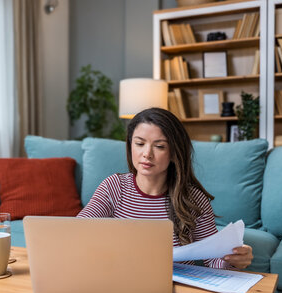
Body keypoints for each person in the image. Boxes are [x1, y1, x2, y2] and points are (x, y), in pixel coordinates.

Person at [78, 107, 253, 269]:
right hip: (123, 280)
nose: (147, 154)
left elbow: (214, 260)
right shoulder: (114, 187)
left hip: (178, 287)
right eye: (139, 144)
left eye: (159, 146)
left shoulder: (193, 198)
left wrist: (234, 260)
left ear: (174, 152)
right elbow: (76, 230)